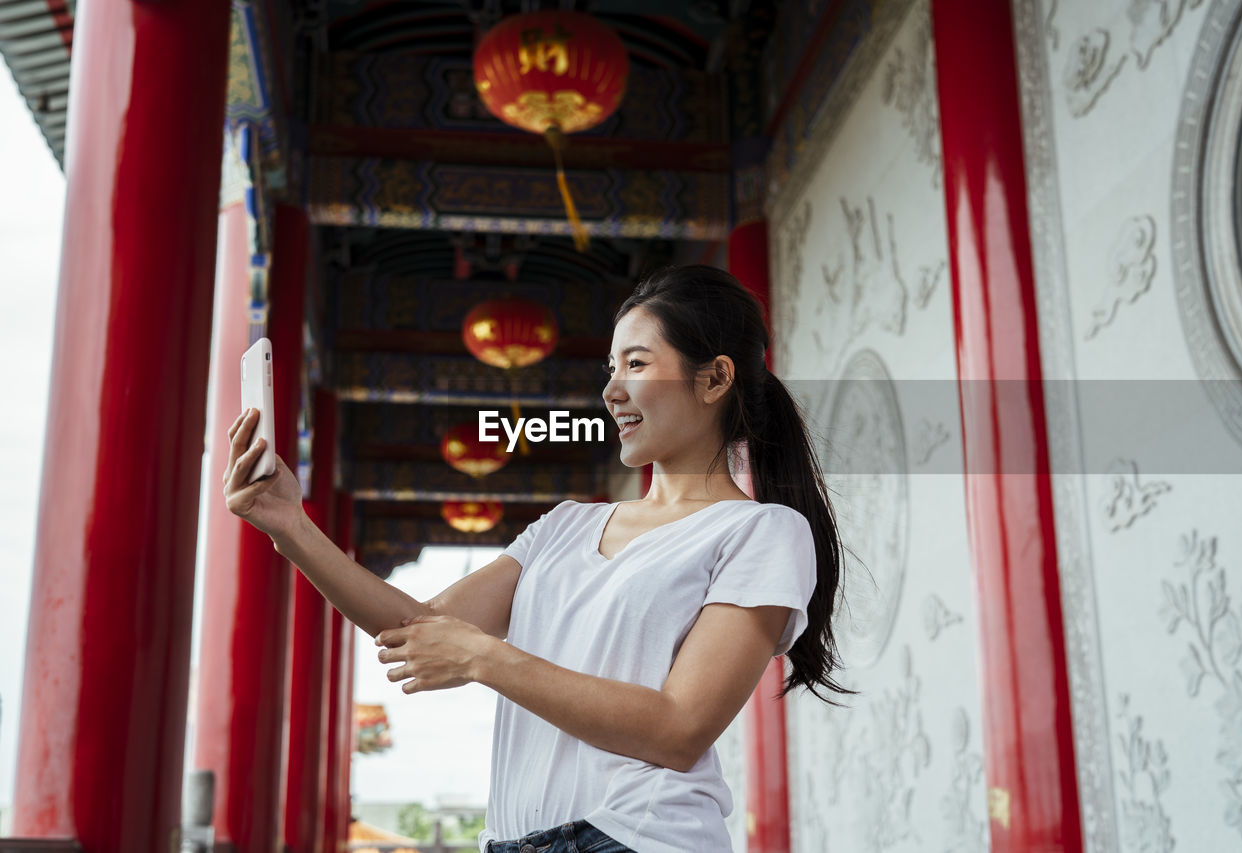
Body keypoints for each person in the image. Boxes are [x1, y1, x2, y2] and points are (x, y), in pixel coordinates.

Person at [223, 264, 855, 853]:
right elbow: (417, 630)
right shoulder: (565, 525)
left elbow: (679, 728)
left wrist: (485, 658)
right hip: (512, 839)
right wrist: (290, 526)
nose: (611, 390)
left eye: (636, 363)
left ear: (714, 378)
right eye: (611, 367)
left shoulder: (763, 532)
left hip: (639, 839)